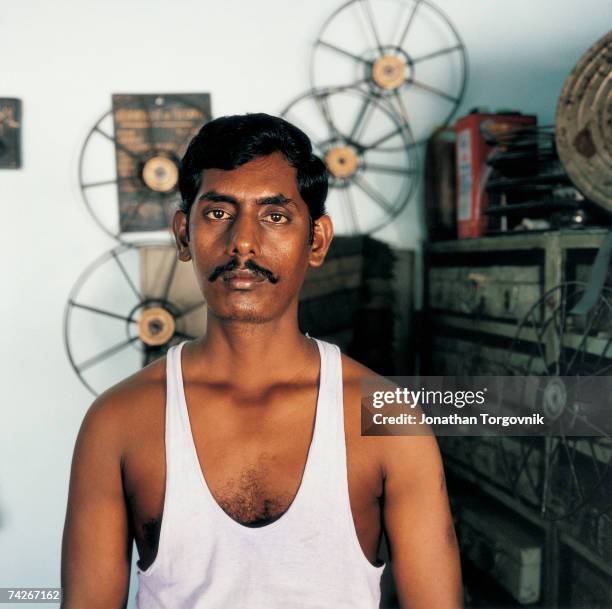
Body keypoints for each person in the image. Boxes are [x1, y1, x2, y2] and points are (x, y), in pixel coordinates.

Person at [61, 113, 462, 609]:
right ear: (184, 236)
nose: (243, 243)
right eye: (218, 213)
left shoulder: (389, 419)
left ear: (315, 240)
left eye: (274, 215)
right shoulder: (117, 422)